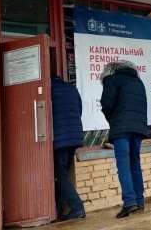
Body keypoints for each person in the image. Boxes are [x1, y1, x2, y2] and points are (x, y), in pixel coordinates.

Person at [100, 60, 149, 219]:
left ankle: (129, 201)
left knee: (123, 163)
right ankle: (139, 201)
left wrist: (112, 119)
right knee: (135, 163)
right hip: (138, 127)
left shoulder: (111, 80)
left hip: (121, 127)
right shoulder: (138, 82)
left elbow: (106, 104)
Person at [51, 74, 86, 222]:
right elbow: (79, 110)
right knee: (62, 173)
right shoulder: (71, 88)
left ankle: (77, 208)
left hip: (60, 138)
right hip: (74, 136)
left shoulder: (49, 89)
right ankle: (57, 210)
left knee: (60, 174)